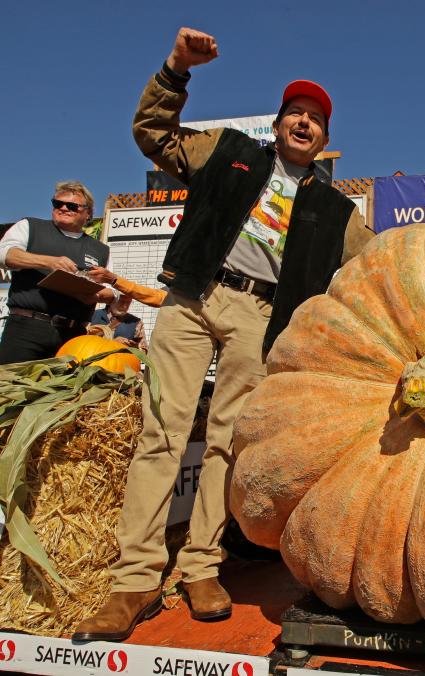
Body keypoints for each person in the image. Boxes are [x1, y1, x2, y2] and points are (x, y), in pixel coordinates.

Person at [74, 27, 373, 642]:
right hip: (193, 299)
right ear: (278, 122)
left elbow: (382, 268)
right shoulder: (226, 150)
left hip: (260, 322)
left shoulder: (339, 212)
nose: (305, 123)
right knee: (162, 432)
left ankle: (201, 567)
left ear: (326, 139)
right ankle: (133, 579)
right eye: (296, 111)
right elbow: (152, 134)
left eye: (316, 118)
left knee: (226, 448)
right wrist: (176, 69)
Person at [0, 182, 117, 364]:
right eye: (57, 204)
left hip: (73, 336)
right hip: (27, 329)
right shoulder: (30, 226)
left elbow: (111, 290)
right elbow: (4, 255)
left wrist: (95, 295)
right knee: (12, 390)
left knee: (65, 391)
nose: (63, 208)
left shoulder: (101, 250)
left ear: (88, 213)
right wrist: (49, 261)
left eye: (72, 206)